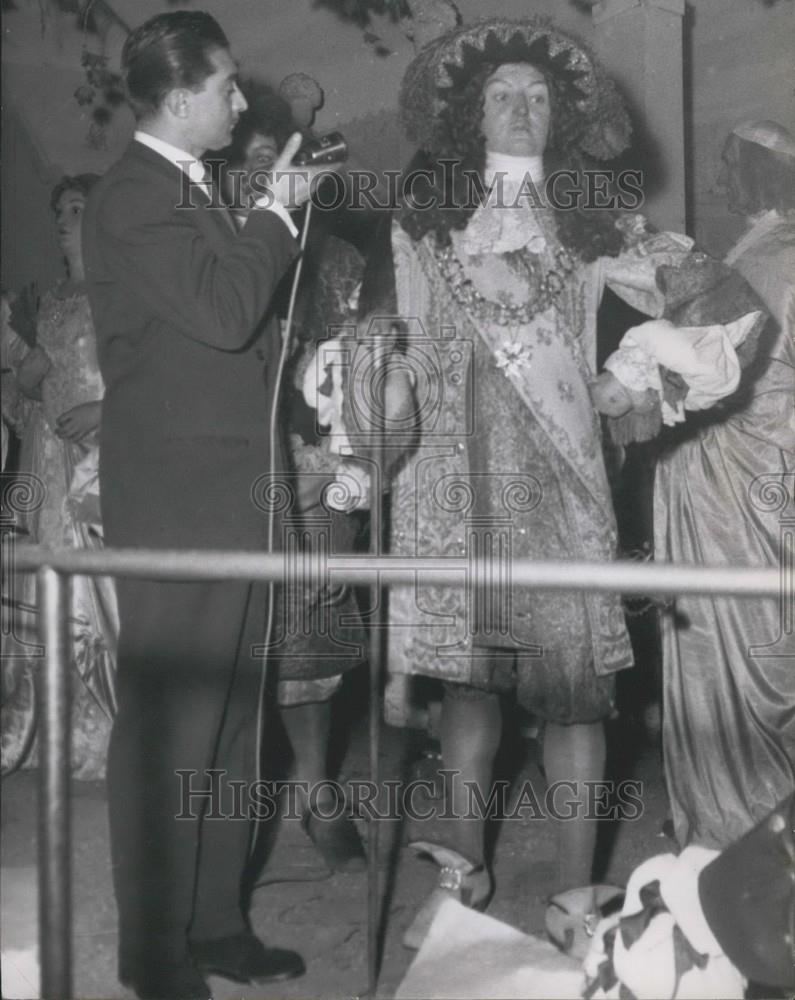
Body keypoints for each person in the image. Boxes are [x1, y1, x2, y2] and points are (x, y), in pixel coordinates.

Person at [342, 17, 767, 951]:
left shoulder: (593, 219)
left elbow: (725, 306)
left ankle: (576, 895)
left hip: (565, 489)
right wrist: (384, 378)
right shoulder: (422, 223)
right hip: (450, 491)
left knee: (577, 699)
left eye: (538, 96)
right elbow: (374, 334)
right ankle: (463, 873)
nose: (522, 110)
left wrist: (635, 376)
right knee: (467, 691)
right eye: (502, 95)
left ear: (563, 114)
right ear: (468, 112)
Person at [81, 12, 328, 998]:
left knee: (232, 717)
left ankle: (217, 920)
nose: (241, 98)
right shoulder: (134, 197)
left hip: (232, 489)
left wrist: (269, 217)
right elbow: (227, 317)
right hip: (179, 497)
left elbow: (239, 338)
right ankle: (153, 949)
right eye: (227, 85)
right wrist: (274, 214)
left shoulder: (196, 195)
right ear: (180, 96)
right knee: (173, 719)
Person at [217, 91, 368, 871]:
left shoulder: (335, 260)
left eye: (272, 161)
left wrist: (344, 467)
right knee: (228, 647)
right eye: (243, 162)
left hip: (308, 475)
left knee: (310, 646)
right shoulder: (204, 251)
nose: (259, 175)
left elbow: (358, 373)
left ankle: (315, 790)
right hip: (223, 470)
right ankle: (232, 815)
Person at [657, 120, 795, 849]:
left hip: (739, 471)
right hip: (743, 466)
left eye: (728, 163)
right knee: (753, 641)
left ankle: (738, 819)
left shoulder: (774, 253)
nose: (719, 175)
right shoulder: (756, 245)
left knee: (739, 641)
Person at [1, 174, 118, 780]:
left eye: (78, 207)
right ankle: (42, 723)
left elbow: (148, 381)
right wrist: (24, 382)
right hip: (46, 461)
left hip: (100, 462)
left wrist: (106, 410)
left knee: (95, 595)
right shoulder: (46, 301)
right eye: (60, 209)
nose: (64, 217)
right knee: (38, 588)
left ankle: (101, 732)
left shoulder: (120, 291)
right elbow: (25, 405)